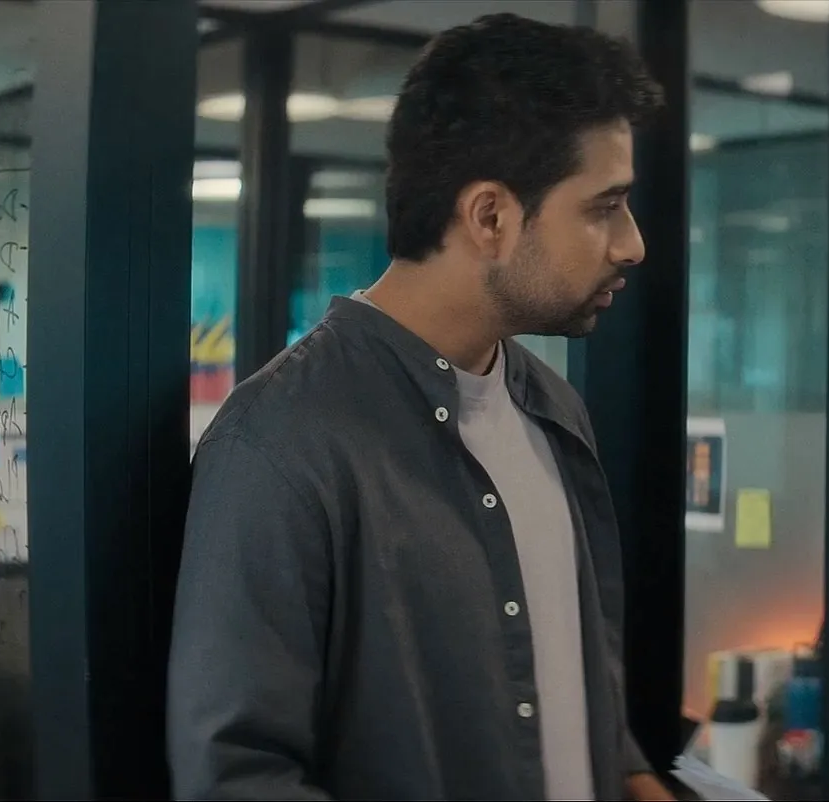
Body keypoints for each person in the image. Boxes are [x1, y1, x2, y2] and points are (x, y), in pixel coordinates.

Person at [166, 13, 673, 801]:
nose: (632, 243)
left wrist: (634, 775)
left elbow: (567, 676)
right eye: (604, 207)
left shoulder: (554, 409)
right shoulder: (279, 443)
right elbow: (237, 778)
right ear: (490, 218)